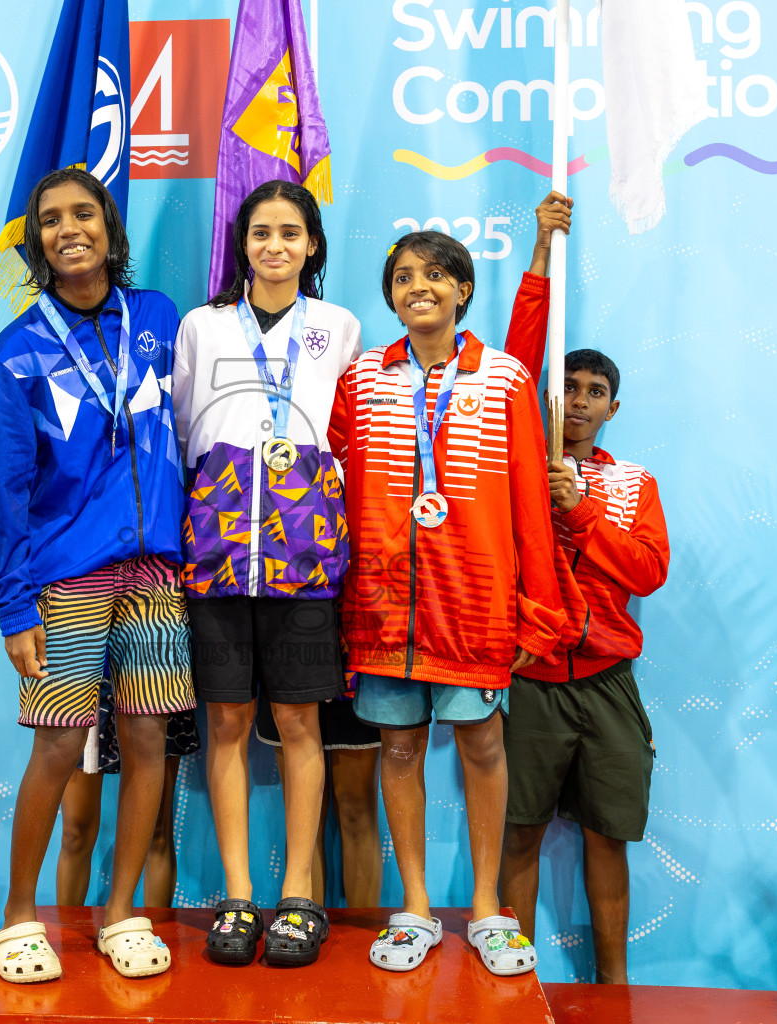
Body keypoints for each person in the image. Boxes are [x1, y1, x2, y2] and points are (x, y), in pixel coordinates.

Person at [328, 230, 565, 976]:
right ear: (390, 294)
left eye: (435, 274)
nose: (417, 287)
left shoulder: (503, 380)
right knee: (398, 749)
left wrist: (537, 608)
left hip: (475, 603)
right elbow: (331, 496)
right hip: (384, 606)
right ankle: (417, 907)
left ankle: (489, 909)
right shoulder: (362, 380)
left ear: (463, 289)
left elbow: (529, 499)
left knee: (483, 747)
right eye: (402, 277)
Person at [0, 167, 192, 983]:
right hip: (65, 578)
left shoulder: (157, 317)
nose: (70, 229)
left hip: (157, 574)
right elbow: (5, 489)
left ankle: (121, 910)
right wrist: (12, 605)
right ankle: (18, 916)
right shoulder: (18, 350)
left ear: (110, 227)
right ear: (35, 241)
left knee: (147, 742)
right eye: (52, 220)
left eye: (85, 213)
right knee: (61, 745)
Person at [172, 180, 362, 966]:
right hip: (218, 557)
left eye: (290, 232)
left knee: (298, 725)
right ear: (240, 243)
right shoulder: (202, 326)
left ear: (312, 245)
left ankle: (299, 897)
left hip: (305, 561)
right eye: (260, 233)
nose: (274, 245)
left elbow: (349, 437)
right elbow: (185, 431)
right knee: (224, 725)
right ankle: (239, 898)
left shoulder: (339, 327)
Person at [500, 191, 672, 984]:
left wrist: (585, 513)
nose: (577, 402)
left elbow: (647, 572)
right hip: (530, 679)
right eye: (567, 388)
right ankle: (509, 983)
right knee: (519, 833)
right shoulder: (516, 463)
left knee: (608, 837)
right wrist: (541, 250)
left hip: (606, 680)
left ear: (612, 407)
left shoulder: (633, 485)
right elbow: (520, 353)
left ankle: (614, 989)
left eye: (592, 392)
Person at [54, 685, 200, 909]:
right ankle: (66, 939)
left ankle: (157, 938)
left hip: (152, 676)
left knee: (156, 831)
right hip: (87, 678)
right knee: (76, 832)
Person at [254, 687, 382, 909]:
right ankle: (302, 926)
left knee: (357, 810)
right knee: (302, 819)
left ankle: (362, 934)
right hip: (292, 664)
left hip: (352, 669)